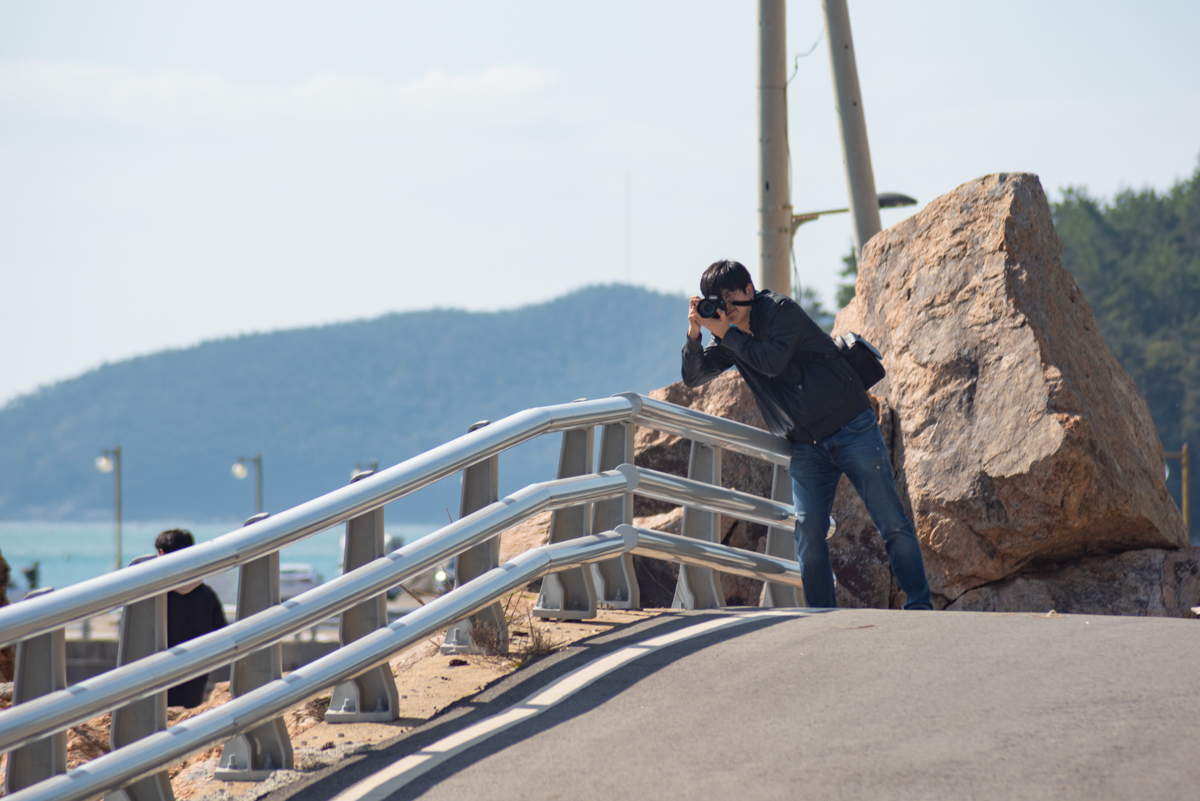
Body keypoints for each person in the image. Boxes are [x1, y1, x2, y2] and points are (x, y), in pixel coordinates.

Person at [681, 259, 932, 610]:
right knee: (808, 534)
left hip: (851, 426)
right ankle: (822, 615)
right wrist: (695, 335)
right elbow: (694, 377)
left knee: (891, 522)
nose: (726, 307)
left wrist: (727, 334)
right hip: (806, 444)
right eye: (716, 300)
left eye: (731, 297)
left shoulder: (780, 311)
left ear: (749, 291)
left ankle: (920, 606)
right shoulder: (728, 336)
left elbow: (771, 360)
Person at [155, 528, 229, 707]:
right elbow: (222, 635)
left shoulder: (154, 595)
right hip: (194, 681)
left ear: (161, 554)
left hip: (156, 681)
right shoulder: (207, 595)